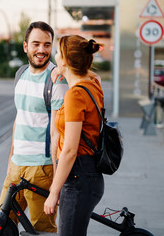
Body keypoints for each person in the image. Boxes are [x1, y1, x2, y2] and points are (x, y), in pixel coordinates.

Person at [0, 21, 68, 233]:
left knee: (42, 229)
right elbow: (20, 119)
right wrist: (10, 161)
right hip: (16, 167)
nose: (42, 50)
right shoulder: (21, 74)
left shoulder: (57, 80)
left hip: (42, 170)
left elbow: (57, 133)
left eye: (47, 45)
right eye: (36, 44)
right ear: (26, 46)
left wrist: (55, 184)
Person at [43, 35, 105, 235]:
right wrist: (64, 74)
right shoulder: (93, 84)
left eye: (58, 53)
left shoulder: (75, 95)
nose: (55, 56)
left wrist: (54, 192)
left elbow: (70, 150)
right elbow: (93, 77)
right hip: (87, 174)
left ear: (66, 61)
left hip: (78, 176)